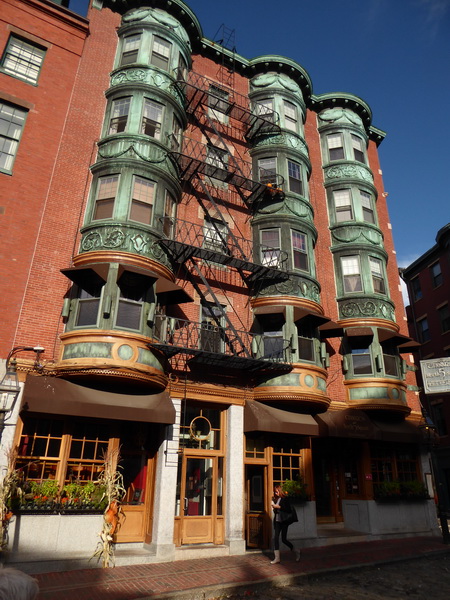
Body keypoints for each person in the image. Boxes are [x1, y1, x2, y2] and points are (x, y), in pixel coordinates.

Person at [270, 484, 301, 564]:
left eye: (276, 492)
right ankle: (277, 558)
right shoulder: (277, 499)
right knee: (276, 538)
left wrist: (278, 507)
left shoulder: (285, 499)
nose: (275, 493)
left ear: (280, 491)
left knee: (284, 539)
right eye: (274, 492)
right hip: (277, 521)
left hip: (284, 521)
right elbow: (277, 511)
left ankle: (296, 550)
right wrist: (274, 508)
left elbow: (288, 509)